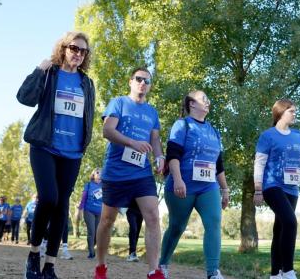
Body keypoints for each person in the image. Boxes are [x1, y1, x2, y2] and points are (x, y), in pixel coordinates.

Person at [17, 31, 96, 279]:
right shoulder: (50, 74)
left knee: (62, 205)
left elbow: (88, 115)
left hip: (72, 153)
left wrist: (84, 143)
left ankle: (49, 265)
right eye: (74, 48)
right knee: (49, 197)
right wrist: (40, 69)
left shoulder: (86, 83)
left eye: (83, 51)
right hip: (45, 146)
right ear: (63, 48)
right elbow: (25, 98)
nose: (78, 54)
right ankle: (33, 255)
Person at [94, 67, 166, 279]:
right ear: (130, 81)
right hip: (116, 172)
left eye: (147, 81)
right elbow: (107, 131)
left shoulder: (152, 112)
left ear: (150, 86)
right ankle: (100, 266)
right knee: (107, 220)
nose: (142, 83)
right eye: (139, 79)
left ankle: (154, 271)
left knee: (153, 216)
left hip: (142, 174)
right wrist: (133, 143)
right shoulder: (118, 103)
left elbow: (154, 140)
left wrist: (159, 157)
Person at [159, 90, 230, 279]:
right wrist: (178, 179)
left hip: (208, 186)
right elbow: (172, 155)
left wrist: (224, 189)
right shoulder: (182, 125)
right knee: (176, 226)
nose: (208, 102)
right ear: (191, 104)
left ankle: (213, 272)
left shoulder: (214, 131)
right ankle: (162, 265)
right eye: (203, 99)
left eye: (208, 99)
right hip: (183, 185)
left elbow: (218, 164)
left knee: (214, 222)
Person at [254, 99, 300, 279]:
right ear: (280, 113)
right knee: (291, 222)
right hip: (272, 185)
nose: (294, 114)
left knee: (280, 228)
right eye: (291, 111)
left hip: (292, 187)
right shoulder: (268, 136)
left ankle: (275, 274)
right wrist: (258, 189)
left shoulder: (298, 136)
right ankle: (288, 270)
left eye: (294, 111)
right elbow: (259, 163)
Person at [78, 168, 103, 259]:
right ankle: (91, 252)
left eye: (101, 172)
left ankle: (92, 245)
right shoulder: (88, 185)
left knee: (97, 233)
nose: (99, 174)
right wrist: (80, 210)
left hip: (100, 212)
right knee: (91, 231)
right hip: (89, 211)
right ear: (93, 174)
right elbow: (83, 198)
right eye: (97, 172)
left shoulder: (105, 186)